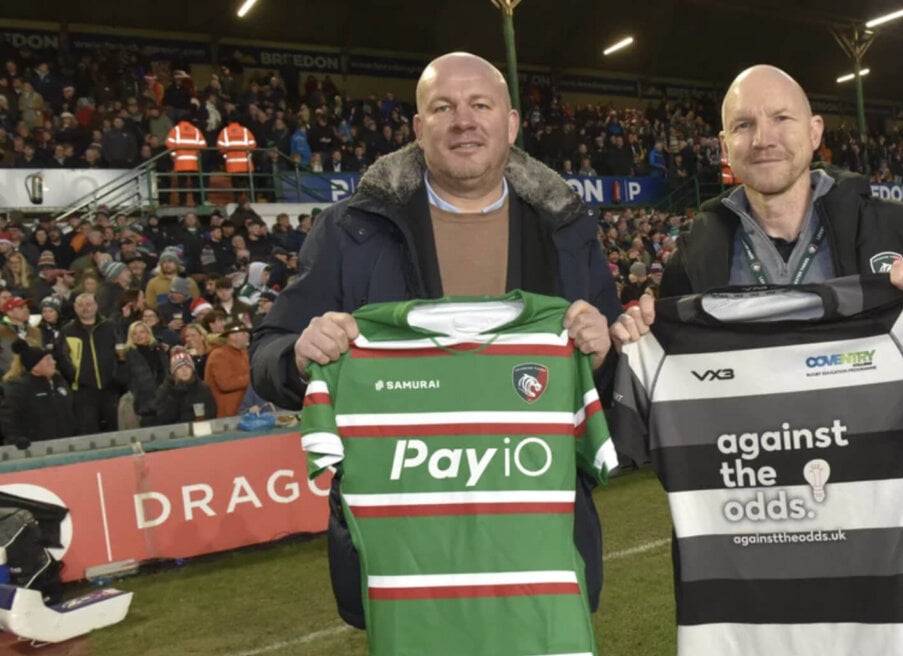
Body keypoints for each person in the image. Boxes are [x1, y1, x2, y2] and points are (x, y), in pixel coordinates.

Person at [609, 65, 903, 655]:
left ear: (816, 130)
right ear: (724, 145)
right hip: (764, 535)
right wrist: (634, 336)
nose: (763, 137)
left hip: (900, 530)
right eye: (744, 125)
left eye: (781, 118)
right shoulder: (696, 255)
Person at [250, 52, 621, 630]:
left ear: (511, 124)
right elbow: (268, 351)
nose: (463, 121)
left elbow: (611, 374)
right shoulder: (352, 230)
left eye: (480, 105)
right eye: (443, 108)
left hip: (537, 539)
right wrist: (300, 355)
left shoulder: (565, 230)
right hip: (405, 550)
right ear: (418, 128)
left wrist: (603, 353)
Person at [63, 293, 121, 434]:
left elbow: (120, 352)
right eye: (81, 305)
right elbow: (62, 358)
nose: (85, 308)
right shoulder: (67, 331)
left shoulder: (110, 326)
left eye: (88, 304)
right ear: (75, 308)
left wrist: (117, 376)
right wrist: (76, 377)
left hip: (110, 389)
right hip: (83, 392)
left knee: (114, 430)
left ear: (96, 306)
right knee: (88, 431)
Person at [0, 341, 77, 448]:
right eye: (47, 360)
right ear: (35, 366)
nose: (53, 362)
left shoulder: (60, 381)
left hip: (68, 443)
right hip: (36, 447)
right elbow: (9, 417)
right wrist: (16, 438)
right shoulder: (20, 388)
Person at [116, 320, 170, 427]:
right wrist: (121, 362)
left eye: (142, 332)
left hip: (164, 400)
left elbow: (167, 371)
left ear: (148, 333)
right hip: (142, 404)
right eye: (134, 333)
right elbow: (121, 379)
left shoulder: (159, 350)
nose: (138, 336)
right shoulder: (127, 354)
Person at [153, 347, 217, 424]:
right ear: (173, 372)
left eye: (187, 367)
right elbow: (163, 418)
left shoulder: (202, 388)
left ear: (192, 370)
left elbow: (211, 411)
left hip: (200, 427)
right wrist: (176, 395)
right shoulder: (165, 390)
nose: (184, 371)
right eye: (179, 368)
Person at [205, 321, 250, 417]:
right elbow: (226, 384)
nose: (247, 335)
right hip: (227, 413)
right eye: (243, 333)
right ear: (232, 336)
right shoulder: (219, 355)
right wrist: (252, 378)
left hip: (243, 409)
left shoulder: (243, 352)